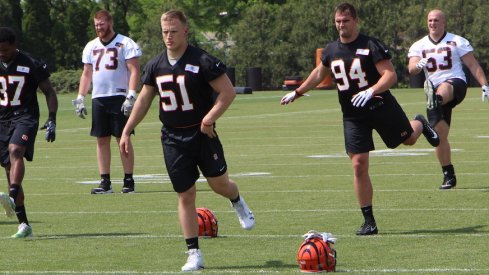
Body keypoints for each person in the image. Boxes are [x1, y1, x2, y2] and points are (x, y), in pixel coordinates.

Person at [281, 3, 440, 236]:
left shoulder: (370, 45)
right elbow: (319, 73)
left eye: (345, 21)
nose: (340, 25)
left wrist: (371, 90)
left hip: (380, 106)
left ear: (355, 21)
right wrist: (298, 92)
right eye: (337, 21)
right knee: (358, 164)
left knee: (408, 140)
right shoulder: (331, 50)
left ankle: (420, 123)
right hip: (353, 115)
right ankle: (369, 220)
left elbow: (390, 74)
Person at [119, 10, 255, 271]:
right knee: (186, 194)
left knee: (220, 185)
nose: (168, 36)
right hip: (172, 137)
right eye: (164, 31)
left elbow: (227, 92)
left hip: (202, 134)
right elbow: (145, 100)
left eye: (173, 31)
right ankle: (194, 252)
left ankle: (237, 200)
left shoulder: (202, 60)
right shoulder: (156, 65)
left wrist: (209, 118)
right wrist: (126, 130)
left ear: (185, 31)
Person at [408, 9, 489, 190]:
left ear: (444, 22)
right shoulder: (419, 45)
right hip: (433, 87)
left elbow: (472, 65)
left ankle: (435, 98)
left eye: (436, 20)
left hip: (456, 84)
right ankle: (448, 175)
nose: (432, 23)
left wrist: (484, 84)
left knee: (443, 89)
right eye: (430, 20)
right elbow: (411, 68)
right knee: (439, 138)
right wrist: (417, 66)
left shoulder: (456, 41)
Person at [73, 10, 142, 194]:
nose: (98, 27)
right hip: (99, 97)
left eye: (101, 24)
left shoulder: (125, 43)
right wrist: (81, 97)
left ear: (110, 23)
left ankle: (129, 180)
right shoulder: (90, 46)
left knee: (123, 138)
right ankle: (105, 182)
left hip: (119, 97)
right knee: (101, 140)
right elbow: (87, 73)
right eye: (96, 24)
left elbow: (134, 70)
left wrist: (131, 95)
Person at [0, 27, 58, 238]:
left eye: (5, 50)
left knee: (16, 150)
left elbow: (49, 91)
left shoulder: (30, 63)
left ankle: (13, 194)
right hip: (3, 119)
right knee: (8, 167)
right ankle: (24, 224)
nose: (2, 54)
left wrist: (52, 119)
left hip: (25, 117)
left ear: (15, 46)